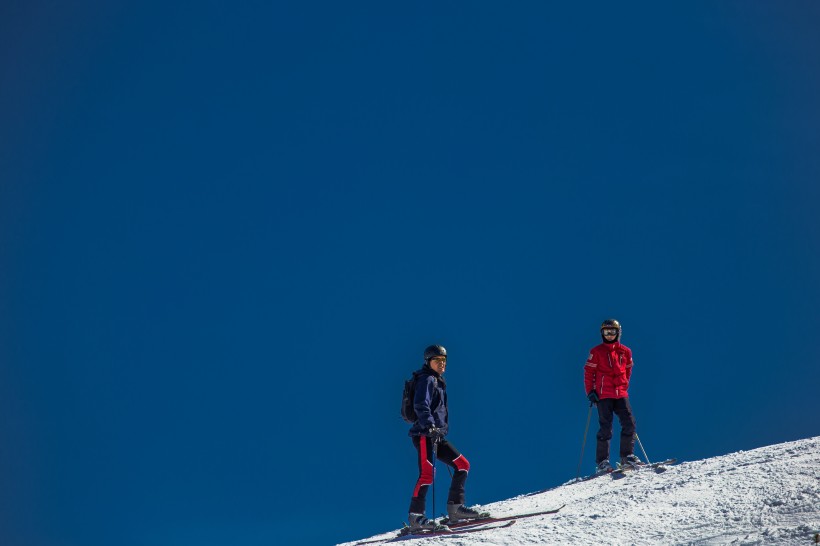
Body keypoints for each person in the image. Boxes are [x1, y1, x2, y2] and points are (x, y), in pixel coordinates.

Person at [406, 344, 486, 531]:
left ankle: (455, 508)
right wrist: (429, 425)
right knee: (427, 473)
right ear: (429, 362)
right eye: (437, 360)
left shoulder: (437, 381)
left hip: (437, 435)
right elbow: (420, 405)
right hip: (425, 434)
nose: (442, 364)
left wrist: (437, 430)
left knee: (462, 464)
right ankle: (416, 517)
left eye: (444, 360)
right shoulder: (426, 379)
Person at [584, 319, 643, 473]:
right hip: (603, 394)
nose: (609, 335)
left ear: (618, 333)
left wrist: (623, 385)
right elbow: (589, 373)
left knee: (629, 422)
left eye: (612, 332)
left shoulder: (625, 351)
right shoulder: (596, 352)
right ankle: (602, 462)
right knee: (606, 427)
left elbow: (628, 370)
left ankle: (627, 456)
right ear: (602, 333)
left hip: (620, 393)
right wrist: (591, 391)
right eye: (606, 332)